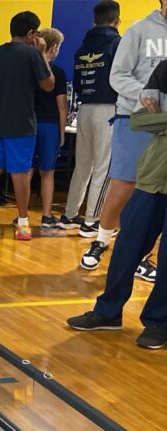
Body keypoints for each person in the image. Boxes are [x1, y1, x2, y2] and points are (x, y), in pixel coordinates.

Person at [67, 59, 167, 350]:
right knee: (127, 246)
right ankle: (107, 311)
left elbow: (154, 120)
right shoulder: (163, 70)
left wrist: (161, 119)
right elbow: (138, 119)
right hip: (151, 178)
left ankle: (159, 323)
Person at [78, 1, 166, 279]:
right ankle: (100, 241)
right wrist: (146, 93)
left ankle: (142, 256)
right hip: (135, 118)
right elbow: (117, 76)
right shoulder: (139, 30)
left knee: (157, 194)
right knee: (125, 184)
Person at [0, 11, 54, 241]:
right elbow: (49, 85)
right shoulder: (32, 54)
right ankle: (24, 223)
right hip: (22, 124)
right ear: (30, 33)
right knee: (20, 172)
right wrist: (42, 54)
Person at [60, 1, 121, 234]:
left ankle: (69, 215)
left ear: (93, 21)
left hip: (84, 109)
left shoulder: (81, 49)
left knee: (83, 165)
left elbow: (76, 83)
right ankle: (92, 221)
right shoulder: (118, 44)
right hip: (109, 109)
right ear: (116, 20)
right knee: (103, 168)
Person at [32, 28, 68, 228]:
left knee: (26, 171)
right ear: (53, 47)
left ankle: (23, 216)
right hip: (50, 125)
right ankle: (46, 215)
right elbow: (62, 105)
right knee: (48, 172)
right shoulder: (59, 72)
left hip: (28, 124)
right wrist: (62, 132)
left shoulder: (28, 68)